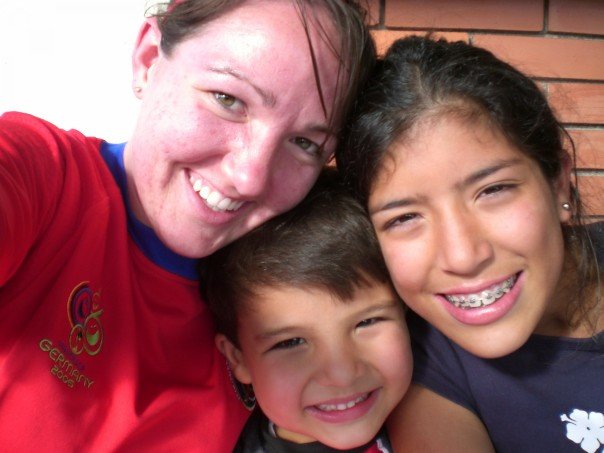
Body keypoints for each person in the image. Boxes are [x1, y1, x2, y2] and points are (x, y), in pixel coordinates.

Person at [0, 1, 376, 450]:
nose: (250, 177)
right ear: (148, 60)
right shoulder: (45, 178)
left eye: (304, 143)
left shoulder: (287, 292)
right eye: (228, 100)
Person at [337, 36, 604, 452]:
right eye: (404, 218)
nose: (463, 257)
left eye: (493, 190)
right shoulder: (418, 370)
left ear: (558, 184)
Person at [201, 168, 412, 452]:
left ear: (406, 310)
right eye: (291, 343)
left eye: (367, 322)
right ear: (238, 358)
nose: (342, 374)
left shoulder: (445, 398)